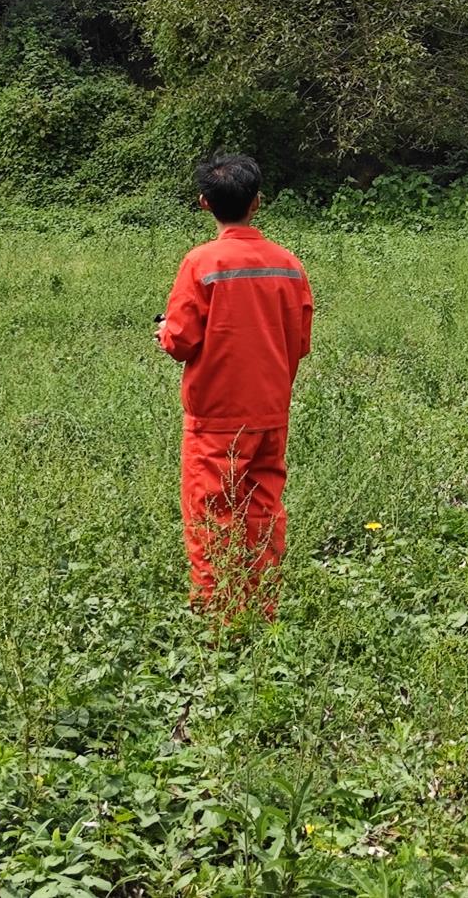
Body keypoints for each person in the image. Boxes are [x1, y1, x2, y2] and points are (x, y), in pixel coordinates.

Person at [158, 154, 313, 614]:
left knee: (212, 517)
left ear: (204, 203)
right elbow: (300, 342)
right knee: (263, 511)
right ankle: (263, 610)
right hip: (271, 415)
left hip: (216, 420)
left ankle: (219, 622)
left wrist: (164, 331)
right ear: (257, 202)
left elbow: (181, 341)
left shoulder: (201, 262)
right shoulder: (288, 265)